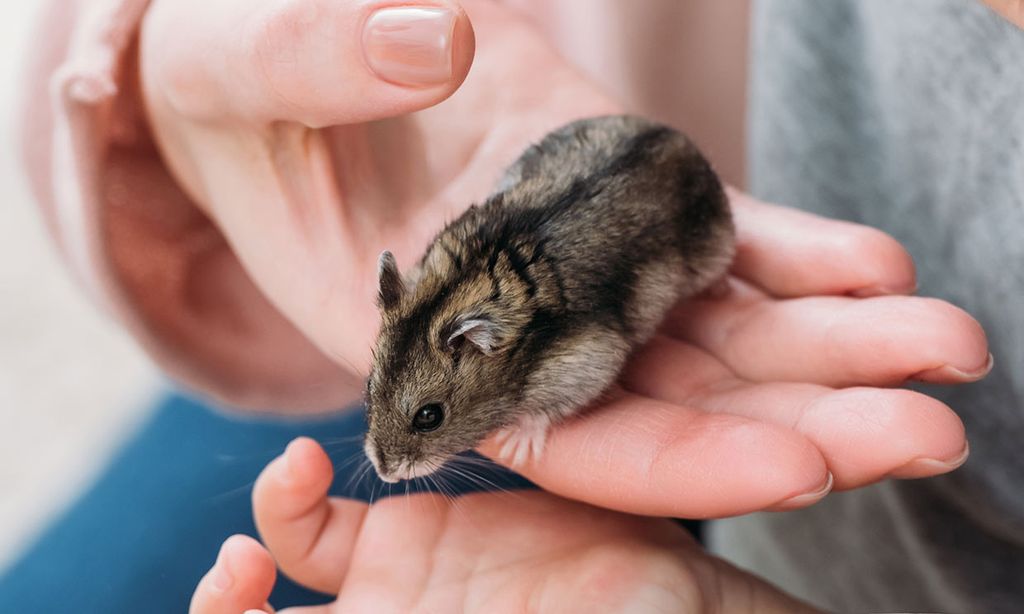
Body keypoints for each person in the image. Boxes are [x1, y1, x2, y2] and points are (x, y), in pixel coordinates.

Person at [4, 0, 1015, 612]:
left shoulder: (550, 347)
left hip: (693, 235)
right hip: (587, 139)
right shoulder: (442, 330)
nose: (390, 451)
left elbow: (595, 354)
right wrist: (163, 56)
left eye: (428, 421)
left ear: (489, 350)